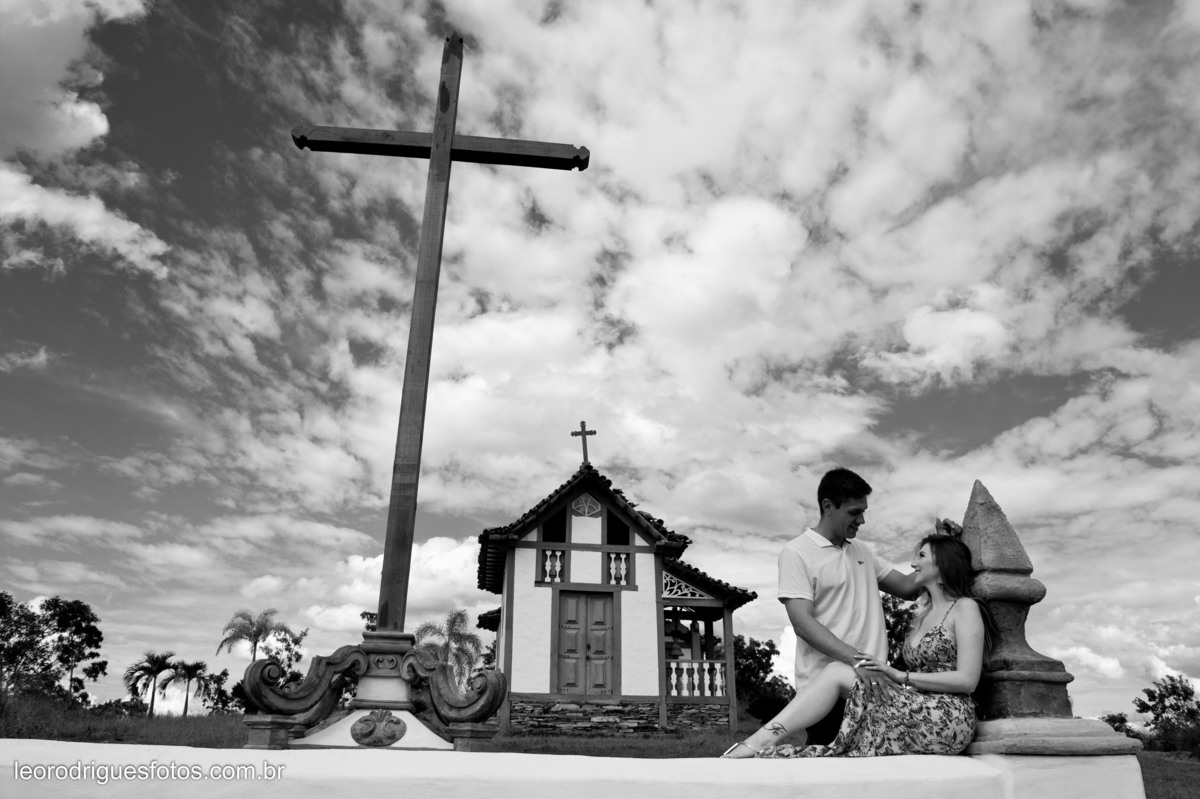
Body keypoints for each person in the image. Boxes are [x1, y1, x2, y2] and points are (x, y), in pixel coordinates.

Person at [721, 534, 991, 758]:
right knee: (837, 674)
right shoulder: (920, 616)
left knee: (838, 671)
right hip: (916, 704)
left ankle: (755, 744)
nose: (912, 562)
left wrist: (899, 675)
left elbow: (967, 680)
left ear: (943, 564)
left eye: (921, 556)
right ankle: (759, 743)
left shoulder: (965, 607)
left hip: (948, 716)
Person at [774, 468, 922, 746]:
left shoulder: (861, 550)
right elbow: (802, 622)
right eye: (855, 512)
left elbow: (907, 587)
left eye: (863, 512)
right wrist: (859, 660)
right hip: (823, 694)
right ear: (828, 507)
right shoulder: (796, 553)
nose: (862, 520)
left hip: (873, 687)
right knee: (827, 781)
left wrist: (946, 548)